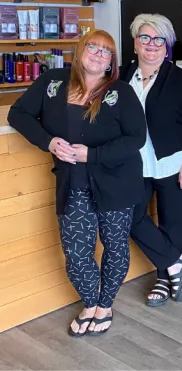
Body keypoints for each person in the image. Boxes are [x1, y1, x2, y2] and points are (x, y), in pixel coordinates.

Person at [8, 31, 146, 337]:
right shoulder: (52, 82)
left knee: (115, 246)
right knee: (77, 252)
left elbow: (136, 138)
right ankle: (90, 302)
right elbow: (18, 114)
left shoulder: (120, 92)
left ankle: (105, 306)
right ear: (80, 50)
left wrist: (92, 155)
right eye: (93, 47)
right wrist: (49, 142)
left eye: (106, 52)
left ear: (112, 62)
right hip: (73, 184)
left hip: (117, 183)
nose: (98, 54)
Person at [122, 14, 182, 306]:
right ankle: (174, 263)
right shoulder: (122, 77)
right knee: (130, 217)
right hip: (133, 165)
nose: (152, 45)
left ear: (166, 45)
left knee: (174, 223)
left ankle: (162, 278)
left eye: (159, 39)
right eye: (145, 38)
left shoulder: (179, 78)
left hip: (174, 163)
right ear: (135, 43)